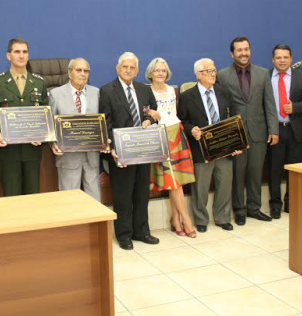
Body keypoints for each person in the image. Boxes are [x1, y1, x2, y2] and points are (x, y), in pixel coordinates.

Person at [100, 52, 159, 250]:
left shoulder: (144, 89)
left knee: (142, 193)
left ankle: (142, 231)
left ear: (137, 70)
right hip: (121, 153)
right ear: (118, 68)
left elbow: (154, 112)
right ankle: (124, 235)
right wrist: (112, 149)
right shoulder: (107, 90)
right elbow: (105, 122)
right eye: (125, 66)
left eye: (132, 67)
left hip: (143, 150)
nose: (128, 70)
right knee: (123, 195)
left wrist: (150, 119)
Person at [217, 36, 278, 225]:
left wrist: (273, 129)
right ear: (232, 53)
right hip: (235, 133)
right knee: (237, 173)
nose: (243, 53)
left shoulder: (262, 74)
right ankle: (239, 210)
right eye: (239, 50)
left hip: (259, 131)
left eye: (246, 49)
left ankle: (254, 208)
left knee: (255, 172)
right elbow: (220, 106)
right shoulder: (222, 75)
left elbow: (269, 103)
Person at [179, 58, 238, 232]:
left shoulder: (224, 92)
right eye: (207, 71)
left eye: (213, 70)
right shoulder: (187, 96)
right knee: (201, 187)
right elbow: (183, 121)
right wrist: (192, 130)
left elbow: (232, 118)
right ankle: (201, 220)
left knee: (225, 183)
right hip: (201, 149)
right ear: (198, 75)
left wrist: (235, 143)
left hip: (224, 147)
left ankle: (222, 217)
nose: (212, 74)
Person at [145, 57, 196, 237]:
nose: (160, 73)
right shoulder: (145, 91)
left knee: (177, 181)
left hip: (177, 133)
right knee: (173, 181)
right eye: (157, 70)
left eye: (163, 70)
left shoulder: (173, 90)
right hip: (160, 136)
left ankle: (175, 219)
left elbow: (175, 114)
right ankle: (186, 219)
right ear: (150, 73)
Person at [0, 38, 48, 196]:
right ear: (8, 56)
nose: (21, 56)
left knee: (32, 195)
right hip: (8, 150)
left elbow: (45, 114)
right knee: (11, 196)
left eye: (25, 52)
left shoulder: (39, 83)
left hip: (32, 149)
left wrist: (42, 134)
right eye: (17, 52)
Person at [268, 45, 302, 218]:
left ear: (291, 58)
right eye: (278, 57)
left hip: (295, 129)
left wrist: (295, 107)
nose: (282, 60)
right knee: (274, 169)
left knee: (294, 169)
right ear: (273, 59)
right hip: (275, 131)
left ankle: (291, 202)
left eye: (285, 57)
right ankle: (275, 204)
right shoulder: (265, 77)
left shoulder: (301, 77)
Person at [49, 58, 102, 201]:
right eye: (79, 70)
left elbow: (103, 122)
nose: (83, 74)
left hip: (92, 156)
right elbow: (50, 126)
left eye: (86, 71)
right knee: (69, 202)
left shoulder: (97, 93)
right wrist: (53, 143)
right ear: (69, 73)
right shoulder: (56, 94)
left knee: (95, 201)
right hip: (68, 157)